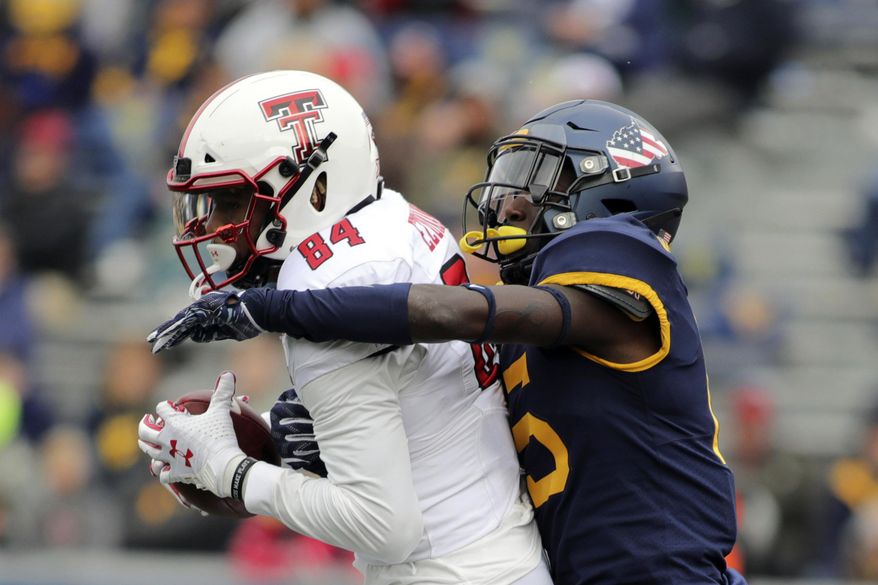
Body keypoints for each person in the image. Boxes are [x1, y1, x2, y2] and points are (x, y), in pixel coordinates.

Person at [150, 99, 748, 585]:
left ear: (610, 194)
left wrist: (267, 309)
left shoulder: (620, 257)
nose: (511, 199)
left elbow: (453, 311)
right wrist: (323, 439)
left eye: (540, 177)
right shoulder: (532, 322)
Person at [137, 70, 551, 585]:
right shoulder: (395, 219)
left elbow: (383, 526)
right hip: (501, 552)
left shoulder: (322, 281)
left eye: (232, 200)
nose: (214, 226)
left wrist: (231, 472)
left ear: (316, 186)